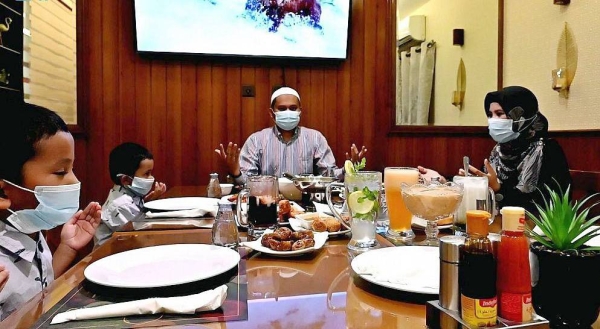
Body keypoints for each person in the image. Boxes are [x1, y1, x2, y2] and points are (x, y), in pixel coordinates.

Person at [0, 103, 102, 319]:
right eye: (60, 172)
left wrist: (67, 247)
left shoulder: (30, 229)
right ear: (3, 194)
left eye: (72, 169)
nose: (74, 180)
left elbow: (40, 287)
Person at [215, 87, 367, 184]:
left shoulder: (315, 138)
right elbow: (248, 183)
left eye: (293, 108)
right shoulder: (257, 140)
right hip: (268, 203)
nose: (288, 112)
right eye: (282, 108)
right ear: (271, 113)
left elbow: (328, 176)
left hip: (306, 207)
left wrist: (349, 169)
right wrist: (235, 171)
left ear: (300, 111)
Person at [460, 86, 571, 215]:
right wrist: (472, 183)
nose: (492, 121)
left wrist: (498, 188)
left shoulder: (547, 149)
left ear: (521, 115)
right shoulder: (499, 150)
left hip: (538, 230)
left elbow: (544, 204)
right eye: (490, 115)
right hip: (500, 224)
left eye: (499, 113)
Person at [94, 142, 167, 246]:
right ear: (126, 180)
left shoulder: (127, 194)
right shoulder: (119, 204)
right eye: (147, 173)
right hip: (109, 255)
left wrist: (150, 199)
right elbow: (138, 230)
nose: (151, 178)